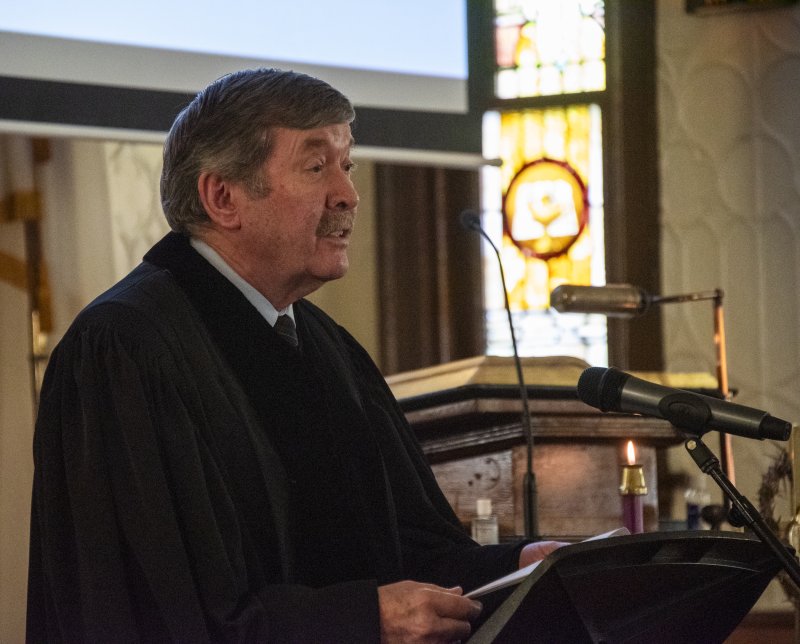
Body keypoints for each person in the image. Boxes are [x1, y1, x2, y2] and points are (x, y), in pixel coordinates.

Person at [27, 68, 562, 643]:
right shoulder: (124, 351)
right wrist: (362, 621)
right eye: (316, 166)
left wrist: (525, 566)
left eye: (346, 165)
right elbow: (147, 611)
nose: (348, 195)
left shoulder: (327, 349)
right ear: (222, 196)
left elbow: (415, 553)